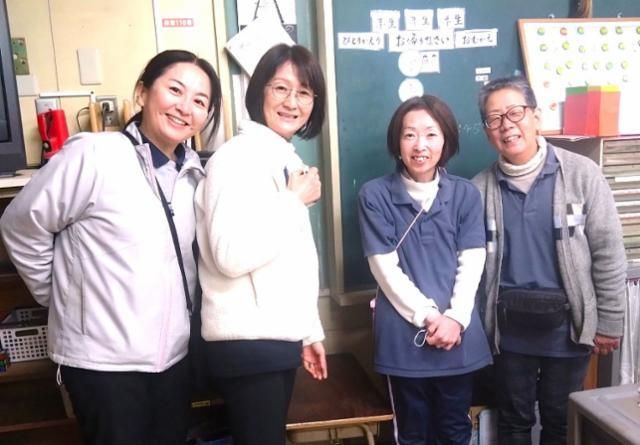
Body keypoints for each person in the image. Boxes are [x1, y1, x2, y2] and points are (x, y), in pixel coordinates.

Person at [0, 50, 222, 445]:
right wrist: (58, 295)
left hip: (173, 359)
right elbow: (21, 225)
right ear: (142, 93)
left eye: (199, 101)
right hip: (103, 365)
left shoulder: (194, 176)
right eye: (175, 90)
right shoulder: (94, 155)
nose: (185, 107)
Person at [472, 76, 626, 445]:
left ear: (536, 116)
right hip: (508, 333)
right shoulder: (478, 189)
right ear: (488, 131)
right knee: (513, 421)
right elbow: (470, 270)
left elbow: (608, 251)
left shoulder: (581, 174)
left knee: (561, 420)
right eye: (495, 118)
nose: (507, 125)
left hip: (568, 328)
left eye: (515, 112)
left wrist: (610, 321)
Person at [194, 43, 327, 445]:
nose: (292, 102)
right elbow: (230, 255)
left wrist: (308, 331)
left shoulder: (281, 157)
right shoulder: (236, 159)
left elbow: (290, 262)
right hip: (247, 343)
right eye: (280, 88)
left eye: (304, 92)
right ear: (259, 92)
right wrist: (293, 202)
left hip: (272, 338)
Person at [357, 95, 492, 445]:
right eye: (409, 135)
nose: (420, 145)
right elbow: (384, 268)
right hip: (404, 339)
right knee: (411, 434)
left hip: (457, 337)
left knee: (455, 430)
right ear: (397, 142)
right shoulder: (374, 196)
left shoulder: (465, 195)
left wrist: (455, 319)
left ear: (446, 140)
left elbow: (472, 262)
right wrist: (430, 316)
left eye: (431, 134)